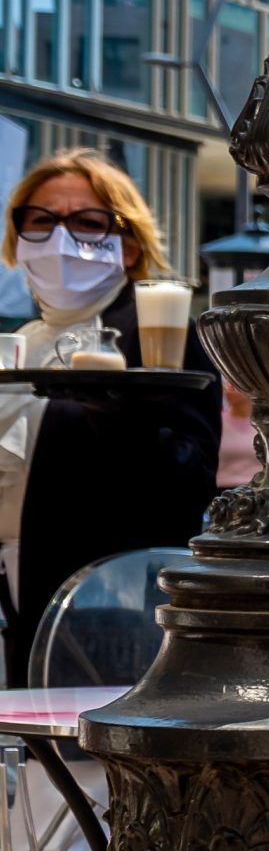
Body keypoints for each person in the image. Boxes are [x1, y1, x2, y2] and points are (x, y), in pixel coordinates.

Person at [0, 152, 217, 677]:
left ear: (129, 244)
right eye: (41, 219)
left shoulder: (157, 334)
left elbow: (182, 479)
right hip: (16, 579)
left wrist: (101, 405)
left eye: (88, 222)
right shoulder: (23, 342)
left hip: (104, 594)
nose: (60, 238)